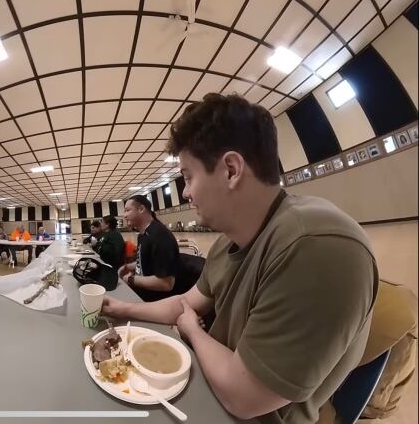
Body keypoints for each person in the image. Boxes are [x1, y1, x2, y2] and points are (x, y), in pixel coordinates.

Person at [102, 93, 377, 423]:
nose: (186, 192)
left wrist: (193, 331)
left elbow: (244, 396)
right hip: (211, 386)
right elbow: (185, 303)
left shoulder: (316, 245)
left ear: (231, 170)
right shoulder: (227, 241)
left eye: (188, 177)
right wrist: (122, 308)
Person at [119, 194, 187, 302]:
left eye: (127, 210)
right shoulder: (143, 234)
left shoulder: (160, 236)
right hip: (142, 294)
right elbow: (147, 261)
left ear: (141, 209)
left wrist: (131, 279)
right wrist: (129, 267)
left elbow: (166, 283)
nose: (125, 215)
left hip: (155, 302)